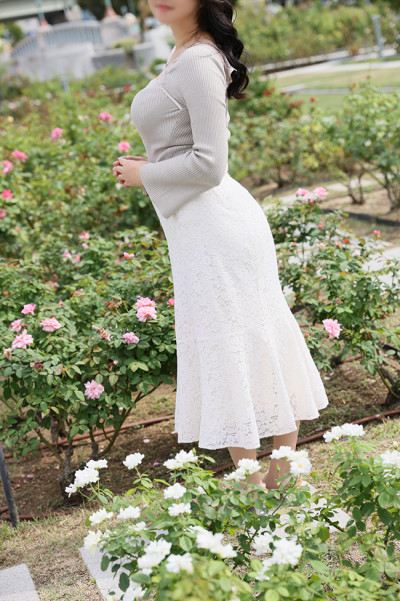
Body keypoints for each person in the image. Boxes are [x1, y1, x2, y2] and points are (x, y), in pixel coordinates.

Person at [113, 0, 329, 499]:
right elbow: (186, 149)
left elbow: (210, 165)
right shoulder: (183, 53)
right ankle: (264, 482)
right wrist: (153, 167)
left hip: (218, 227)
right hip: (196, 229)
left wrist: (146, 174)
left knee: (241, 339)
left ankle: (269, 480)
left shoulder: (198, 59)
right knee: (235, 340)